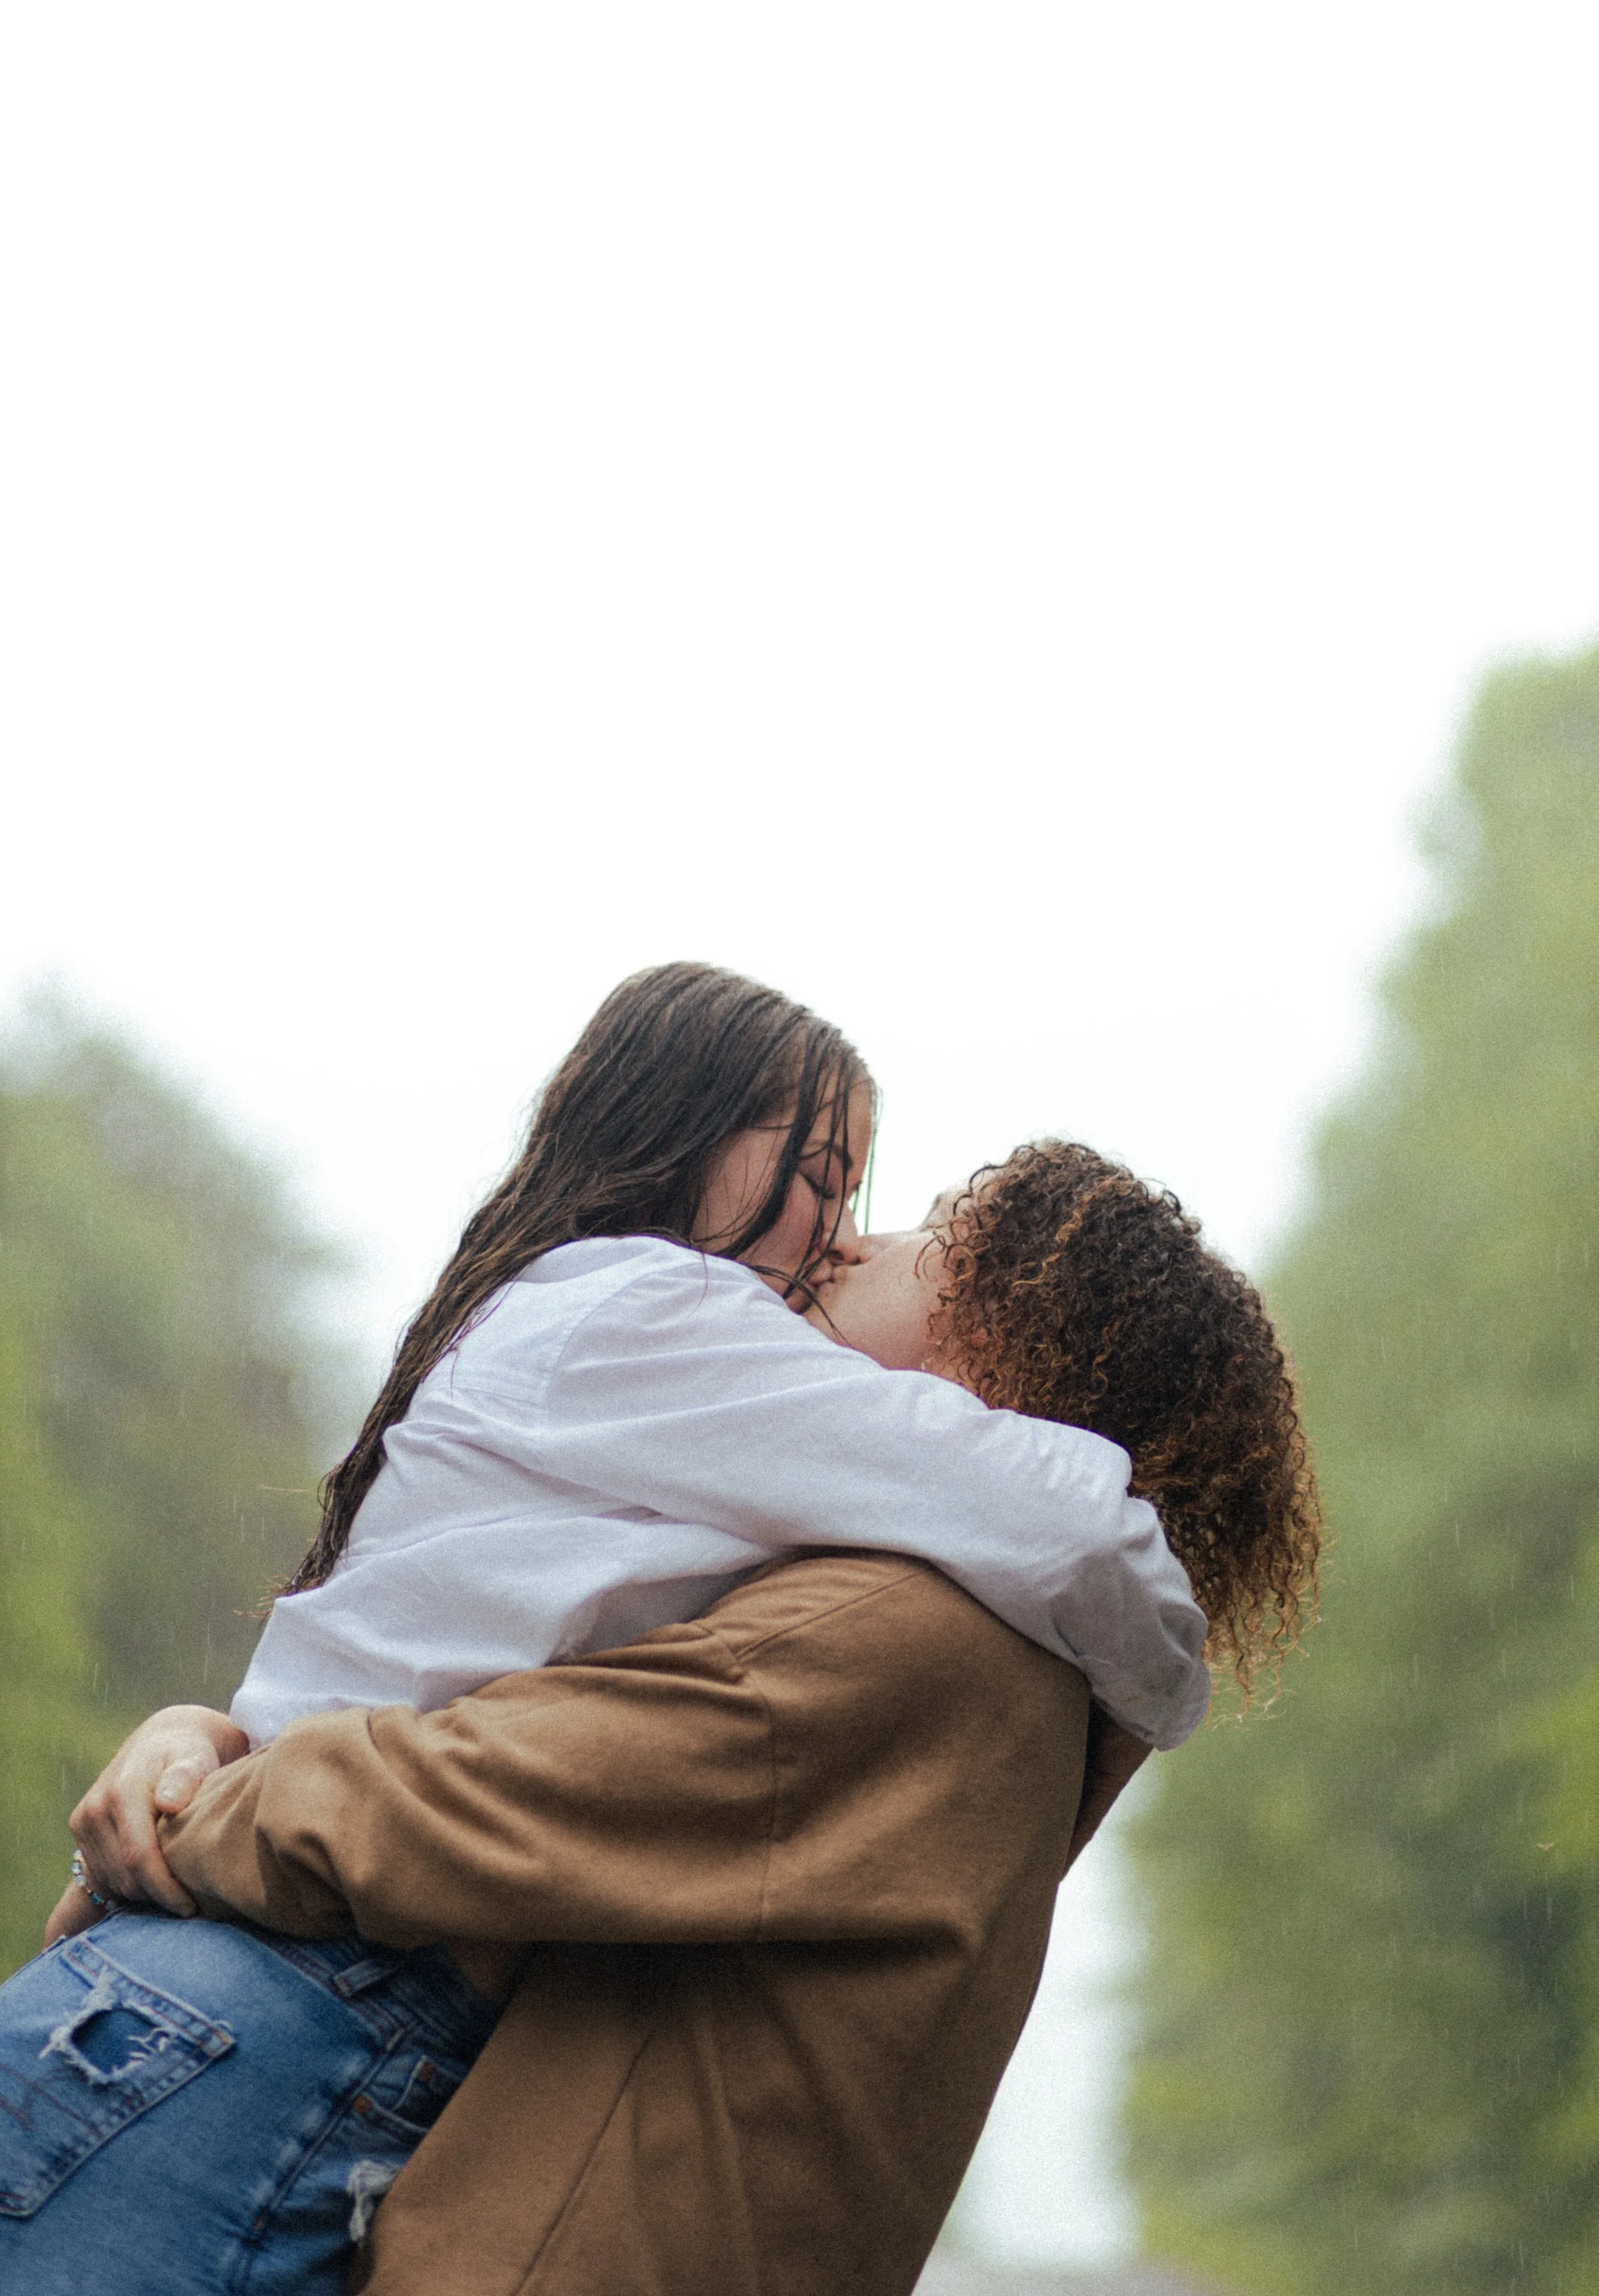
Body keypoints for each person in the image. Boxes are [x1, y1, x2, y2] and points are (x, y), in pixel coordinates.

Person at [0, 976, 1316, 2293]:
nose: (838, 1248)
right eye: (821, 1183)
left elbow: (467, 1795)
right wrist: (204, 1760)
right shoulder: (655, 1336)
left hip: (253, 2021)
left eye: (886, 1228)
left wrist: (207, 1806)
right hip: (240, 2024)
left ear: (1001, 1359)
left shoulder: (920, 1635)